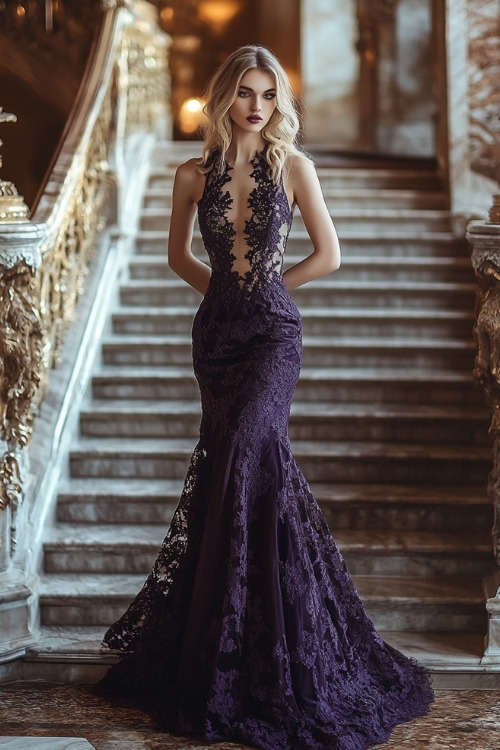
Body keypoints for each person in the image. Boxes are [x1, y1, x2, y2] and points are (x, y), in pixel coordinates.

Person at [96, 45, 434, 749]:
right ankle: (222, 649)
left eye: (269, 95)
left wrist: (269, 294)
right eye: (247, 92)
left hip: (272, 338)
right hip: (217, 338)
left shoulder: (294, 168)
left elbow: (328, 254)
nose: (258, 106)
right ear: (226, 97)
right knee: (228, 468)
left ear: (279, 103)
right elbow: (176, 256)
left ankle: (280, 644)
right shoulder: (191, 174)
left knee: (252, 452)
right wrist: (223, 296)